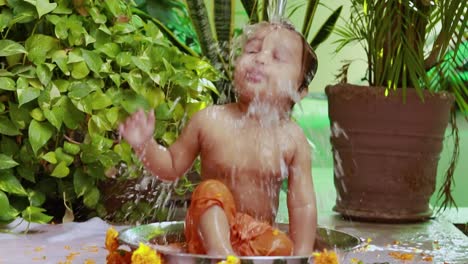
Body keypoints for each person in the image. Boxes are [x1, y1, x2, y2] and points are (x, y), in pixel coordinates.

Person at [119, 21, 318, 257]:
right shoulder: (210, 120)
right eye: (252, 50)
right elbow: (171, 167)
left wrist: (302, 256)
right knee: (212, 190)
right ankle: (220, 255)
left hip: (252, 239)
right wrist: (145, 145)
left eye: (277, 57)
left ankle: (231, 257)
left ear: (299, 89)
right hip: (205, 233)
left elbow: (302, 205)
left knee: (283, 246)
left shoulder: (292, 138)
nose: (260, 59)